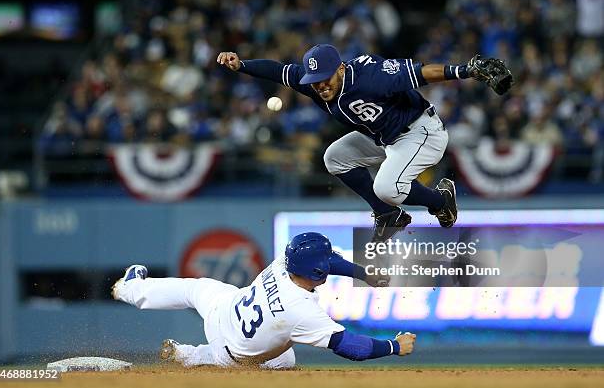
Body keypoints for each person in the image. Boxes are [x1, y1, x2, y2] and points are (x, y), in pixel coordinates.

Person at [217, 45, 492, 241]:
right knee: (334, 158)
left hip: (420, 131)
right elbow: (278, 71)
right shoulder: (313, 81)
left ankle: (440, 200)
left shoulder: (370, 76)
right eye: (315, 82)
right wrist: (242, 66)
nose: (320, 86)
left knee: (386, 187)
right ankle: (387, 214)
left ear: (340, 68)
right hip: (385, 137)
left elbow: (420, 73)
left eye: (325, 79)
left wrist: (464, 70)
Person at [112, 232, 416, 369]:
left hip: (225, 308)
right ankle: (188, 355)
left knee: (194, 289)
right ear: (318, 272)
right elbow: (350, 347)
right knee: (282, 361)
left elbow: (325, 261)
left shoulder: (282, 263)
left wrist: (363, 274)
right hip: (235, 354)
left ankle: (131, 289)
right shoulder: (302, 312)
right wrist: (393, 346)